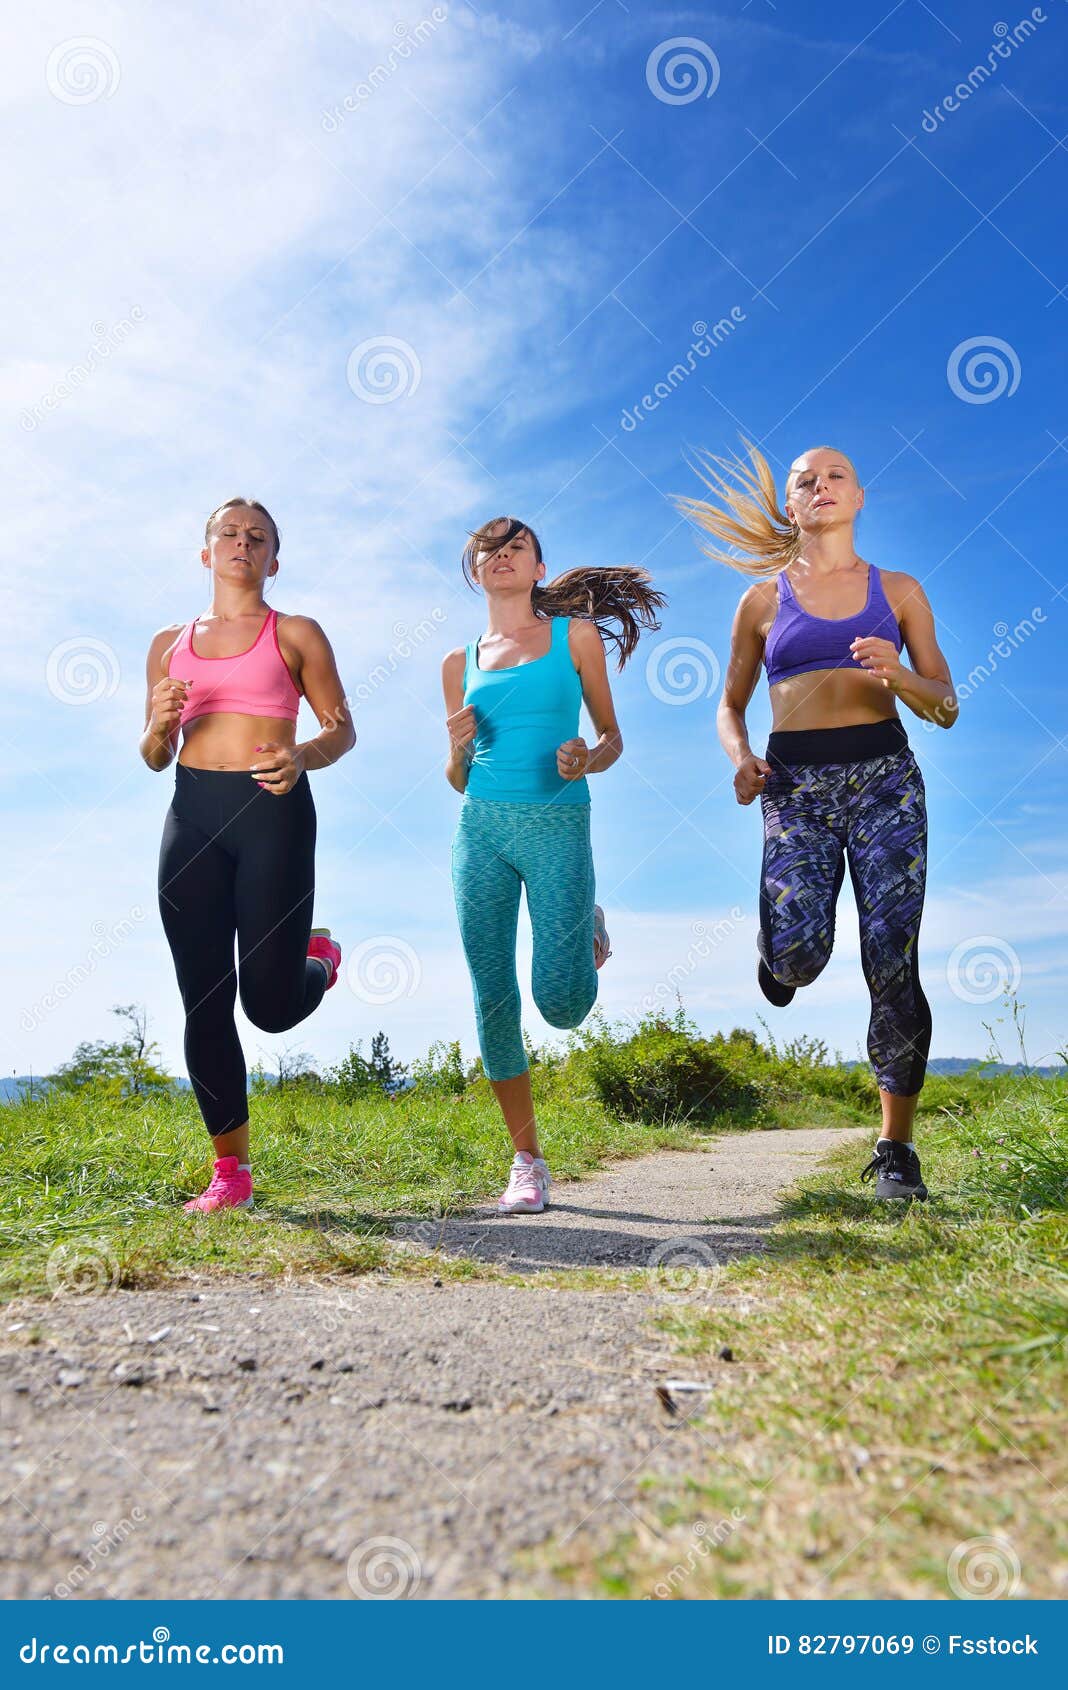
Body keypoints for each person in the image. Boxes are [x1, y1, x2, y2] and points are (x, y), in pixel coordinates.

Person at [676, 442, 958, 1201]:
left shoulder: (899, 590)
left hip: (885, 782)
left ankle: (896, 1149)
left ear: (858, 497)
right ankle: (778, 957)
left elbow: (946, 706)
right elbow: (729, 705)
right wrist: (740, 758)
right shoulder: (761, 602)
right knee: (800, 959)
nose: (822, 486)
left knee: (891, 959)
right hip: (794, 787)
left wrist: (898, 674)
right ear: (792, 506)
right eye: (806, 481)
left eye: (837, 476)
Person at [443, 517, 665, 1214]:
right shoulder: (458, 663)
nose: (502, 555)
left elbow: (612, 738)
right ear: (474, 569)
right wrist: (456, 749)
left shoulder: (575, 638)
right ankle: (527, 1160)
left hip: (559, 824)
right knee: (491, 991)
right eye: (489, 549)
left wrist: (585, 758)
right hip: (480, 826)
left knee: (563, 1006)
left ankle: (584, 919)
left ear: (539, 568)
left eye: (517, 547)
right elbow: (456, 776)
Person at [141, 498, 355, 1212]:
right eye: (229, 533)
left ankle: (317, 962)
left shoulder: (295, 633)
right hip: (191, 815)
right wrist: (160, 725)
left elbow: (341, 729)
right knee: (203, 1000)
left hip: (273, 809)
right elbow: (153, 755)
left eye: (257, 536)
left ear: (273, 559)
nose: (243, 542)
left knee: (268, 1008)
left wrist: (304, 755)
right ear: (206, 553)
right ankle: (231, 1173)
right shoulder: (168, 644)